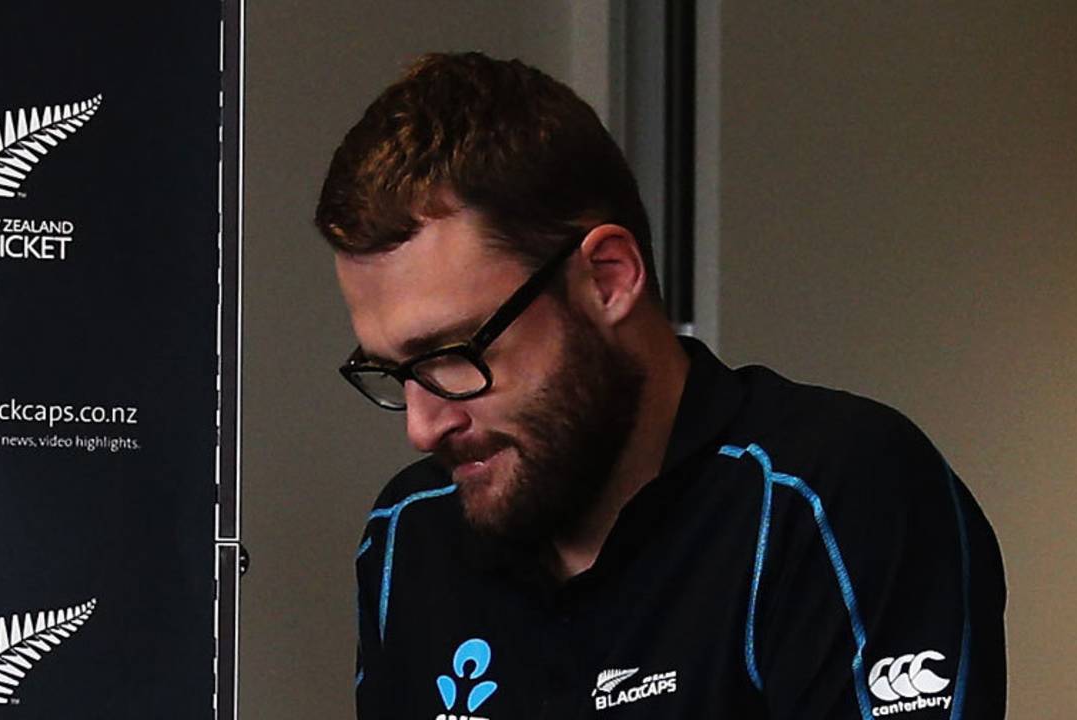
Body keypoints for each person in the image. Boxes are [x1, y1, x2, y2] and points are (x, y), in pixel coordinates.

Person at [313, 51, 1006, 720]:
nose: (422, 426)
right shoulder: (413, 533)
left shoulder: (826, 498)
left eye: (453, 353)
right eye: (394, 371)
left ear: (607, 278)